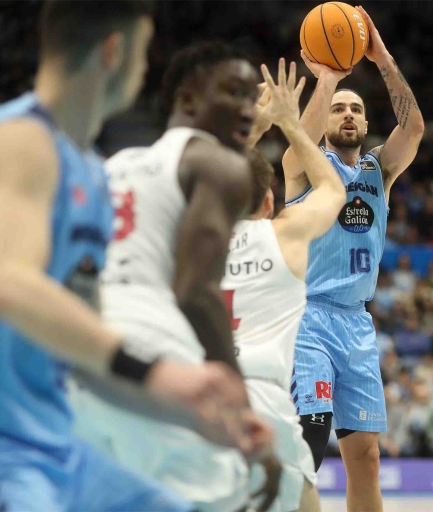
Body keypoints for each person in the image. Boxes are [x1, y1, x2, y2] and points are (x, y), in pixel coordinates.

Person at [0, 2, 268, 511]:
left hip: (56, 447)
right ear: (116, 52)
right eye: (144, 53)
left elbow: (89, 362)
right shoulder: (18, 141)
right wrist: (159, 371)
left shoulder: (95, 175)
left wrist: (194, 413)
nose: (145, 71)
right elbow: (10, 286)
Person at [68, 41, 281, 511]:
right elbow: (196, 292)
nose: (247, 109)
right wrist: (241, 409)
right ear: (188, 100)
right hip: (161, 352)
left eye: (252, 97)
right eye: (233, 93)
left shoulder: (112, 166)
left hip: (86, 355)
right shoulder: (219, 165)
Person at [283, 7, 425, 511]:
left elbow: (413, 131)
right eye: (339, 108)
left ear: (366, 124)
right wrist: (328, 77)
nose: (347, 114)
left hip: (357, 324)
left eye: (356, 109)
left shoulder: (378, 171)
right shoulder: (303, 169)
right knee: (311, 441)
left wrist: (381, 57)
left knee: (365, 457)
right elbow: (299, 142)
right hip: (309, 318)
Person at [221, 58, 346, 512]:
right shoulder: (284, 234)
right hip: (262, 395)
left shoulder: (190, 238)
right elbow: (332, 190)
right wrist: (290, 125)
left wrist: (255, 127)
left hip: (195, 392)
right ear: (271, 201)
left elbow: (211, 182)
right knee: (304, 501)